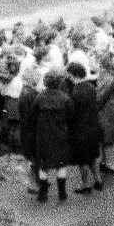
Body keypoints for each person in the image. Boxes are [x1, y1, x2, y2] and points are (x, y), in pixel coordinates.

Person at [32, 68, 73, 203]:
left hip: (43, 135)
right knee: (61, 164)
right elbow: (71, 116)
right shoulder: (65, 98)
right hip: (61, 135)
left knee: (43, 164)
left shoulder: (39, 97)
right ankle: (62, 192)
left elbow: (33, 115)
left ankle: (43, 193)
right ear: (59, 82)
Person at [66, 62, 102, 194]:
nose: (68, 77)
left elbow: (71, 113)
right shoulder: (91, 87)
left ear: (74, 75)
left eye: (69, 75)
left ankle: (85, 185)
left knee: (82, 160)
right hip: (93, 126)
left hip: (80, 130)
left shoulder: (75, 92)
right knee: (93, 156)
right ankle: (98, 181)